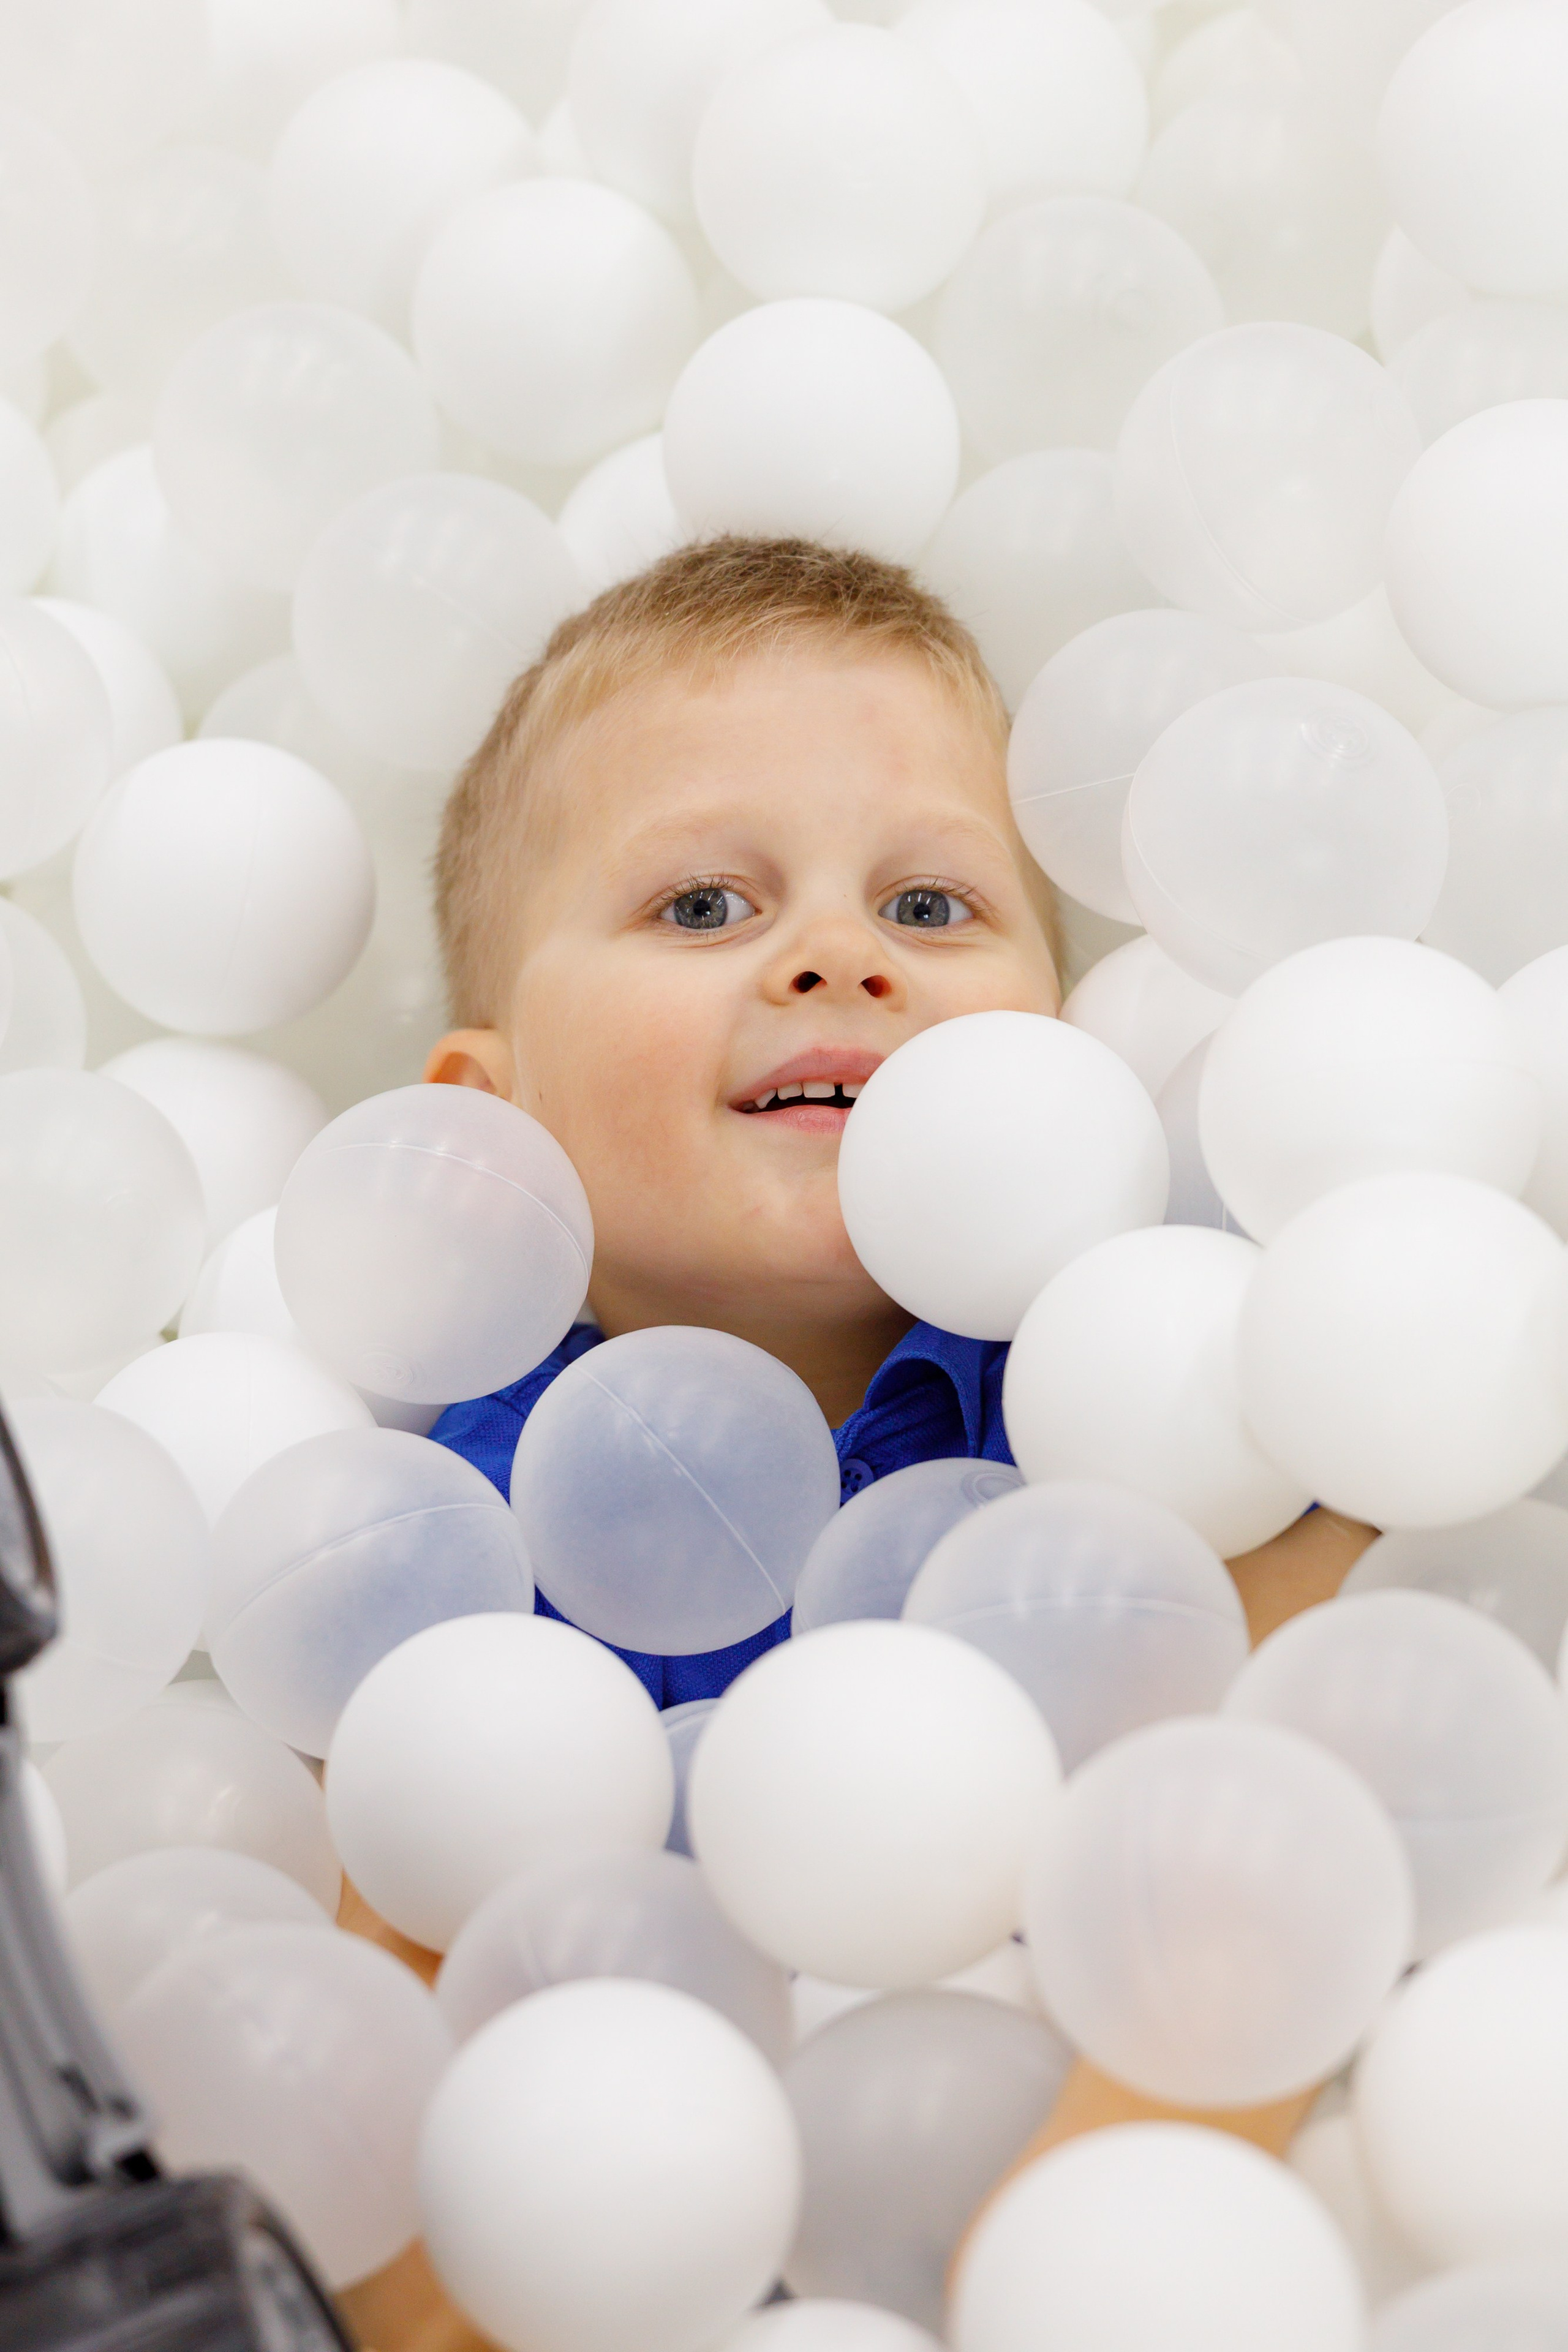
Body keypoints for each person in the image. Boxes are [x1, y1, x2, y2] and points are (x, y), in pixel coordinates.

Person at [421, 533, 1352, 1707]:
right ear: (489, 1127)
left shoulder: (1174, 1384)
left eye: (926, 904)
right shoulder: (458, 1536)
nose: (839, 956)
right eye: (704, 905)